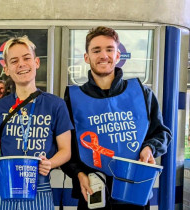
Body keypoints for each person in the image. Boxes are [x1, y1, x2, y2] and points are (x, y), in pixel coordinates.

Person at [61, 26, 172, 210]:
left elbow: (162, 133)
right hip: (92, 192)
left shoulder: (142, 93)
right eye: (96, 50)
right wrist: (78, 173)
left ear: (118, 56)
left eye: (109, 49)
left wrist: (149, 148)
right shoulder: (72, 99)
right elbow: (65, 146)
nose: (103, 55)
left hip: (134, 191)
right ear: (87, 58)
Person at [0, 36, 72, 210]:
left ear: (36, 62)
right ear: (7, 69)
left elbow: (66, 150)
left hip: (40, 186)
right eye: (14, 61)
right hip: (4, 185)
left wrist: (51, 163)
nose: (21, 64)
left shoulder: (56, 105)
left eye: (26, 58)